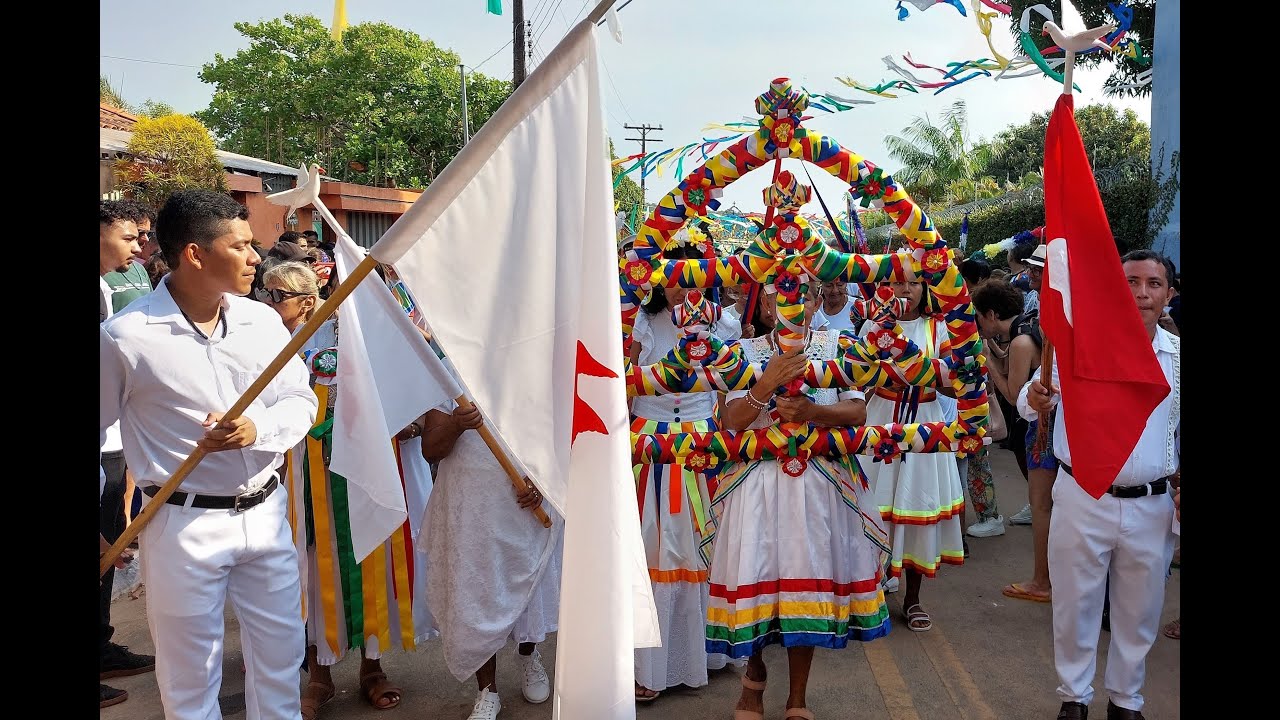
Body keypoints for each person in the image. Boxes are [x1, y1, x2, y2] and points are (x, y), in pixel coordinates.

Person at [100, 189, 319, 719]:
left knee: (281, 662)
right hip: (180, 522)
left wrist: (258, 428)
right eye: (240, 246)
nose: (255, 258)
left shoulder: (260, 321)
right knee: (190, 678)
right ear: (195, 254)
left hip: (266, 515)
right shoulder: (126, 338)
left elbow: (301, 399)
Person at [707, 281, 890, 720]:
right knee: (756, 580)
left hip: (817, 487)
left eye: (804, 296)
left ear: (814, 302)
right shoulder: (743, 352)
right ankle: (753, 681)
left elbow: (857, 412)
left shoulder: (837, 346)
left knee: (804, 586)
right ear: (765, 304)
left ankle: (797, 698)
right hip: (757, 487)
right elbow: (731, 421)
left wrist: (813, 413)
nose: (793, 305)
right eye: (779, 296)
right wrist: (766, 385)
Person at [262, 261, 435, 718]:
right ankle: (318, 676)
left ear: (307, 300)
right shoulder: (260, 339)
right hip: (299, 474)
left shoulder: (349, 335)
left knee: (366, 558)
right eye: (266, 293)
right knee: (310, 565)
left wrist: (406, 420)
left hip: (357, 467)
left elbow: (404, 382)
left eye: (277, 295)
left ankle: (371, 668)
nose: (268, 302)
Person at [1020, 249, 1180, 720]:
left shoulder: (1177, 359)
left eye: (1153, 284)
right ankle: (1074, 697)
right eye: (1130, 282)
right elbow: (1031, 401)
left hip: (1151, 504)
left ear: (1169, 294)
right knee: (1075, 604)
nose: (1141, 293)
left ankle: (1126, 701)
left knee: (1140, 610)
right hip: (1082, 497)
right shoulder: (1077, 347)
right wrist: (1037, 396)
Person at [628, 245, 740, 702]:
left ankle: (702, 656)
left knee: (699, 547)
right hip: (649, 450)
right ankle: (648, 666)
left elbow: (730, 390)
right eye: (675, 279)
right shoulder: (642, 320)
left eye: (693, 280)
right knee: (651, 550)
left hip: (701, 448)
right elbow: (626, 382)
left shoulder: (723, 325)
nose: (683, 290)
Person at [421, 388, 563, 720]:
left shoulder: (529, 364)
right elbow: (431, 449)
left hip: (524, 501)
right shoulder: (449, 376)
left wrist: (543, 481)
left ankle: (528, 653)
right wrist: (457, 424)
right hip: (471, 505)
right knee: (478, 592)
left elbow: (554, 431)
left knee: (529, 580)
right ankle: (488, 691)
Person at [860, 278, 965, 632]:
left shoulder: (939, 328)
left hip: (925, 425)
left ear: (925, 288)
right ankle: (870, 590)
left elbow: (955, 383)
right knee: (872, 507)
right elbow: (858, 376)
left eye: (913, 283)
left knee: (918, 505)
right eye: (895, 282)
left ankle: (912, 598)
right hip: (880, 419)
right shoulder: (872, 325)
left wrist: (922, 372)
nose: (904, 289)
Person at [99, 200, 154, 709]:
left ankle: (101, 646)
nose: (140, 246)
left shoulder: (113, 284)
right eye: (129, 236)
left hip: (110, 443)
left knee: (107, 547)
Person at [970, 279, 1054, 604]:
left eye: (978, 316)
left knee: (1042, 505)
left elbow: (1014, 396)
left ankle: (1042, 580)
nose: (977, 323)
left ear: (991, 314)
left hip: (1041, 430)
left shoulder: (1020, 342)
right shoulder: (1024, 330)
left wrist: (987, 362)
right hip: (1049, 427)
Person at [102, 200, 157, 313]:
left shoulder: (139, 269)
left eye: (148, 233)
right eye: (128, 239)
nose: (136, 248)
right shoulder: (105, 276)